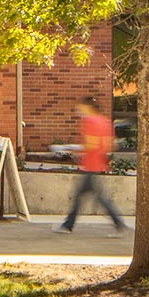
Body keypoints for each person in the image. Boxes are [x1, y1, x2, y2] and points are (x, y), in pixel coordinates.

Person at [54, 97, 128, 236]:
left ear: (86, 107)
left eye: (80, 108)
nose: (78, 111)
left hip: (90, 165)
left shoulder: (89, 121)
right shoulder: (105, 121)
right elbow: (111, 144)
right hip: (99, 164)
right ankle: (68, 225)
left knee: (92, 197)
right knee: (85, 196)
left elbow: (91, 145)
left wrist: (70, 148)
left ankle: (118, 224)